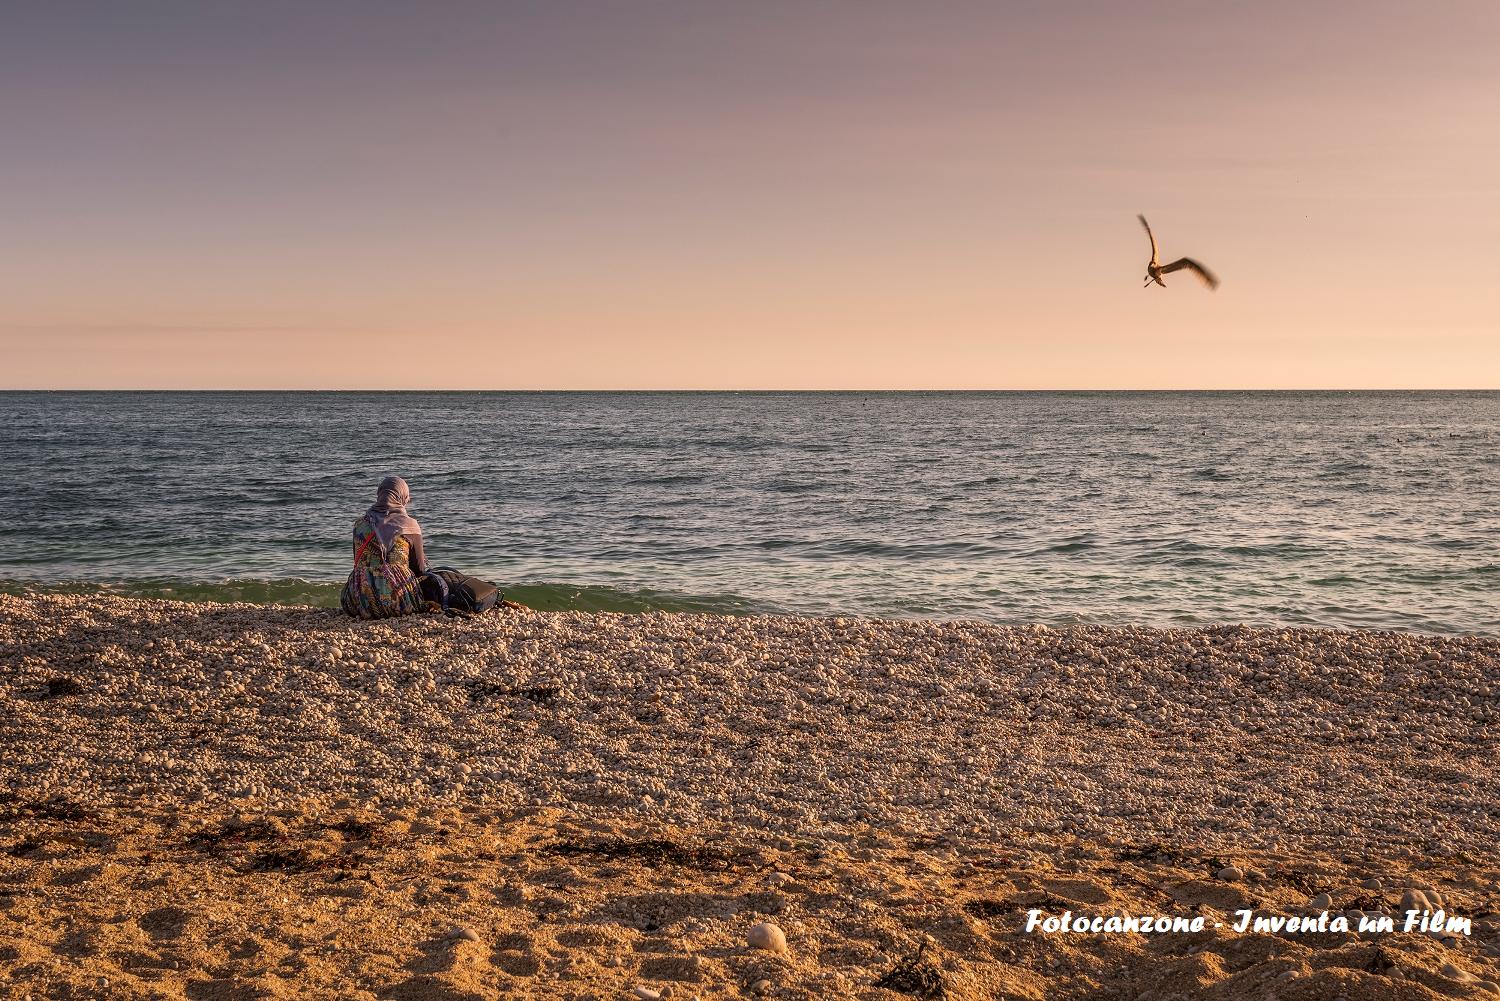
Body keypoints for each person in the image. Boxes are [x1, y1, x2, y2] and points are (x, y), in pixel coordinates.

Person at [341, 475, 429, 619]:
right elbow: (419, 569)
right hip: (399, 602)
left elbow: (357, 563)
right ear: (403, 496)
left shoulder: (360, 524)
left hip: (357, 601)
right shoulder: (410, 526)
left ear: (380, 494)